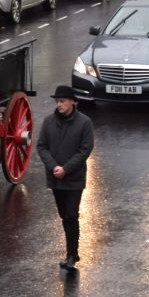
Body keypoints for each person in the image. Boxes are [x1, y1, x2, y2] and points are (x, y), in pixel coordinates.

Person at [36, 85, 94, 273]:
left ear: (72, 102)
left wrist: (66, 169)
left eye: (62, 101)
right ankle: (71, 253)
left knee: (71, 214)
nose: (58, 105)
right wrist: (54, 167)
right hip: (56, 179)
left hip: (74, 179)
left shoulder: (84, 123)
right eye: (57, 101)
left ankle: (72, 254)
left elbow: (85, 149)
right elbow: (42, 146)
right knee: (64, 215)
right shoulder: (48, 122)